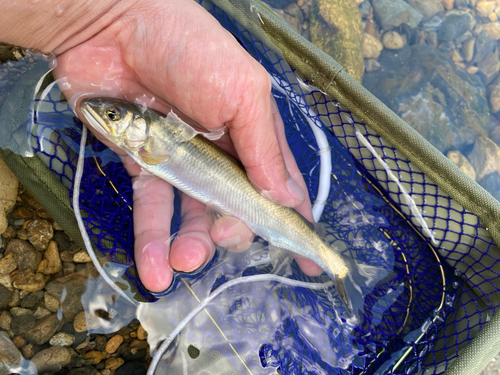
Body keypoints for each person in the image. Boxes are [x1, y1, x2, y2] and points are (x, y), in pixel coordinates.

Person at [1, 0, 322, 292]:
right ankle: (325, 259)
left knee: (233, 229)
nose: (104, 115)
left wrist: (104, 13)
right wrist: (106, 12)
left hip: (252, 200)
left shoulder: (149, 144)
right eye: (112, 115)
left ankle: (329, 261)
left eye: (112, 115)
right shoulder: (145, 142)